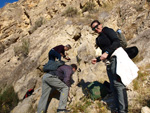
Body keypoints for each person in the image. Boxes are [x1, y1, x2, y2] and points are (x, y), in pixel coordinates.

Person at [90, 20, 128, 113]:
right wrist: (98, 59)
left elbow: (116, 42)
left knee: (118, 84)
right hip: (108, 62)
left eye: (96, 26)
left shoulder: (107, 30)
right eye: (93, 28)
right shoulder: (97, 39)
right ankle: (116, 109)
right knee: (112, 86)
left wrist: (107, 52)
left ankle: (123, 110)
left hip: (116, 58)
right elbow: (104, 52)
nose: (96, 29)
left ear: (101, 24)